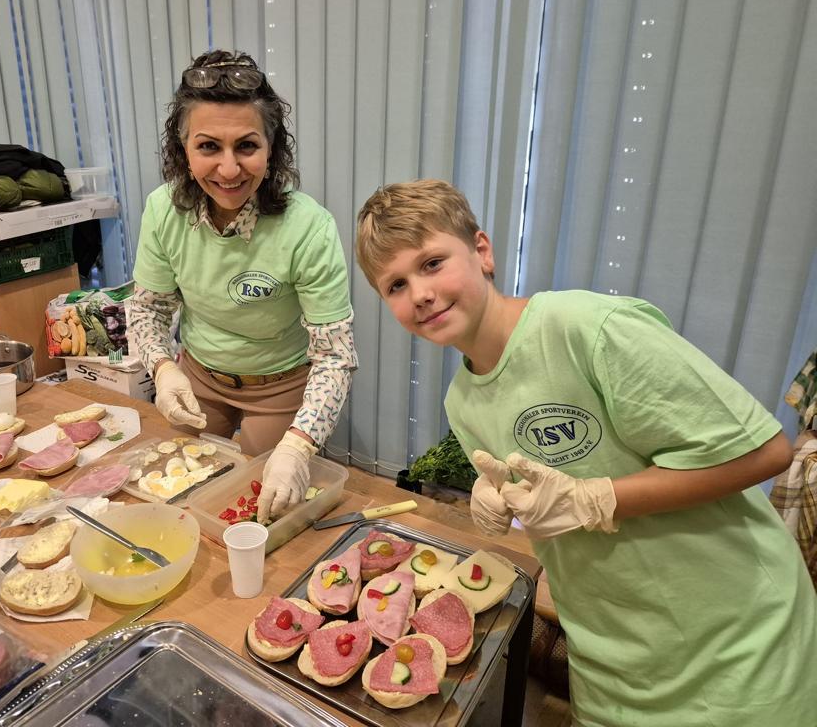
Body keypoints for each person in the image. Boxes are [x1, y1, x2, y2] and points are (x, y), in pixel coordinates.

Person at [355, 179, 817, 726]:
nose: (420, 294)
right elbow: (546, 506)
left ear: (482, 251)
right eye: (396, 285)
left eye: (432, 263)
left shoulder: (589, 330)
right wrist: (501, 501)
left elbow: (764, 452)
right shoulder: (463, 402)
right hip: (609, 656)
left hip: (736, 647)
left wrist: (595, 499)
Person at [128, 50, 356, 523]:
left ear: (272, 150)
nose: (229, 170)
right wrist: (163, 369)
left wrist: (298, 446)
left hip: (279, 388)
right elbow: (148, 309)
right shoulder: (162, 210)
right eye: (209, 147)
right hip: (197, 379)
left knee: (261, 513)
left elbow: (335, 355)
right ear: (184, 151)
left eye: (247, 146)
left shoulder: (309, 227)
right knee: (177, 502)